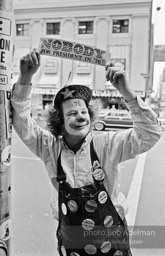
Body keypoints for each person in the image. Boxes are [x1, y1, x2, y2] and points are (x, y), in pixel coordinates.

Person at [11, 49, 161, 256]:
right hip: (72, 241)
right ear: (60, 122)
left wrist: (127, 92)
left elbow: (150, 134)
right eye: (72, 113)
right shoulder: (49, 147)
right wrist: (25, 77)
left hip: (111, 239)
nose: (81, 117)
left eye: (83, 112)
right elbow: (22, 122)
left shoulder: (107, 145)